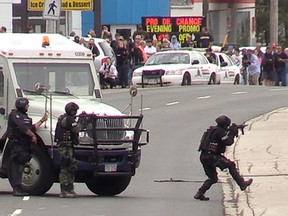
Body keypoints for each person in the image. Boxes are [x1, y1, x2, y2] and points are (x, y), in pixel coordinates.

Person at [194, 115, 253, 201]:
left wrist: (233, 130)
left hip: (204, 156)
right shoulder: (220, 132)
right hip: (212, 157)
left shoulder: (212, 129)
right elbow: (228, 142)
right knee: (231, 165)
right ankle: (242, 184)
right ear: (225, 125)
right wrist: (232, 132)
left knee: (213, 178)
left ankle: (199, 193)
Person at [7, 97, 48, 196]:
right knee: (16, 167)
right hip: (17, 145)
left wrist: (42, 120)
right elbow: (23, 128)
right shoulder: (14, 115)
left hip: (24, 146)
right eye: (27, 105)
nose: (28, 106)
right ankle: (16, 188)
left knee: (21, 166)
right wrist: (32, 135)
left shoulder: (26, 117)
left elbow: (32, 128)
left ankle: (19, 188)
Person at [54, 102, 85, 198]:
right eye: (74, 111)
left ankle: (70, 188)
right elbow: (76, 129)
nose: (75, 112)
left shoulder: (66, 118)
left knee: (71, 166)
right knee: (65, 166)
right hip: (64, 145)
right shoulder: (68, 119)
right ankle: (64, 189)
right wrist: (82, 122)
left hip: (69, 145)